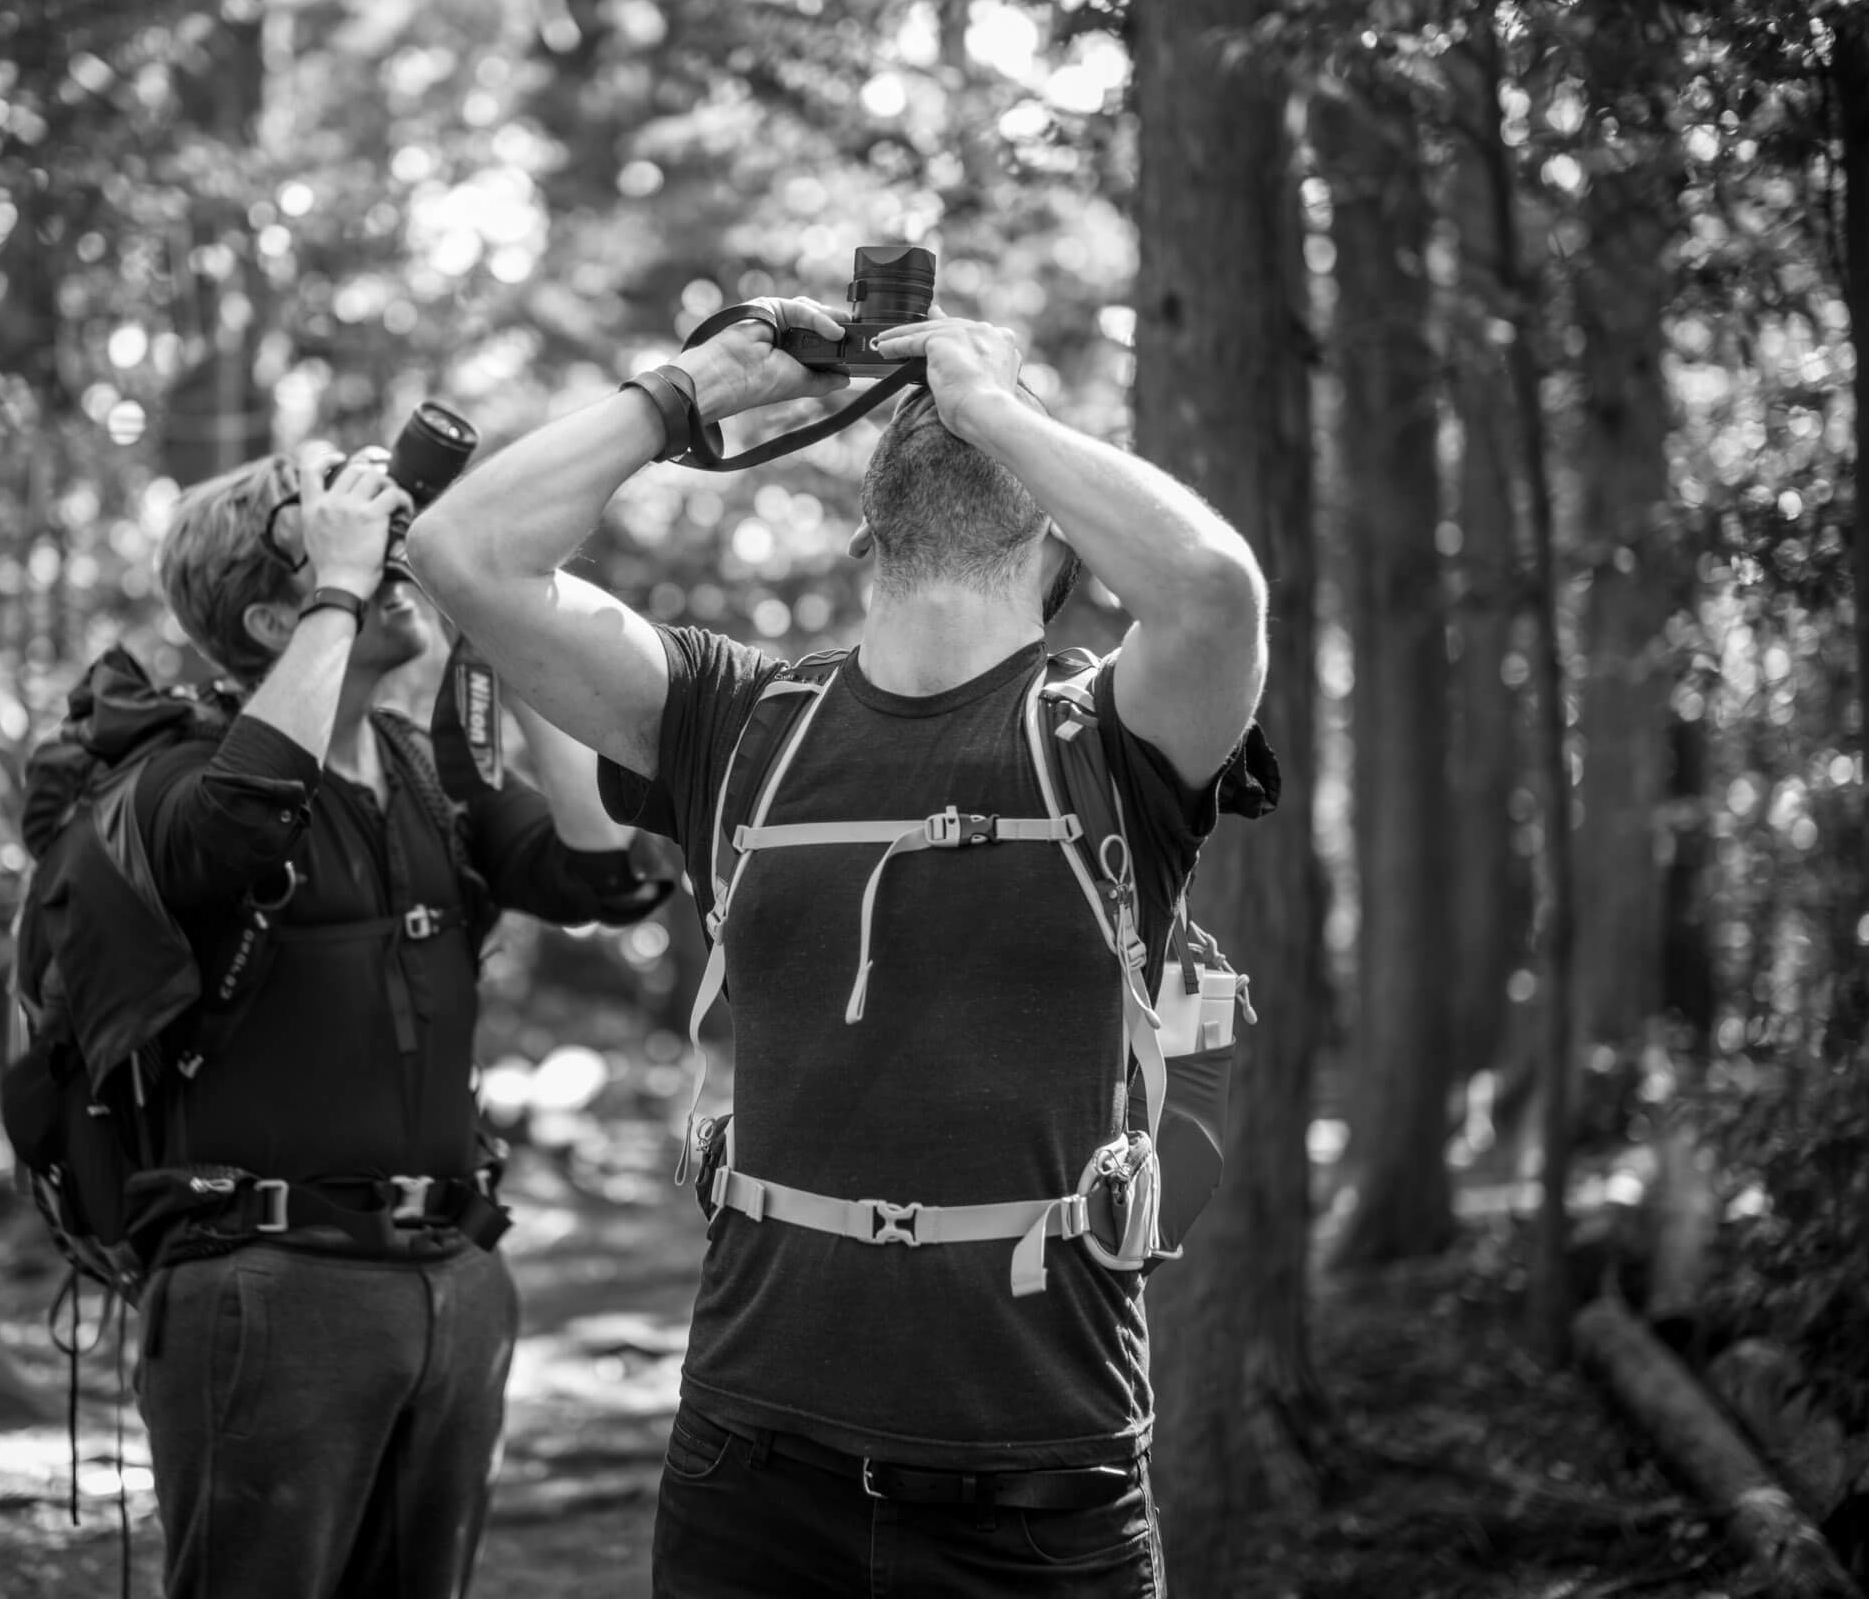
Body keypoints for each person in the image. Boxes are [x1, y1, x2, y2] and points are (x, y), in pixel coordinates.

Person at [406, 302, 1268, 1596]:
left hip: (1038, 1494)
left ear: (1056, 546)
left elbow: (1208, 587)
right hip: (748, 1475)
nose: (955, 414)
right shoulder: (736, 724)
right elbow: (460, 550)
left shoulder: (1115, 743)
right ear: (867, 526)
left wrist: (989, 408)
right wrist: (697, 384)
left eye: (999, 433)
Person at [123, 441, 666, 1598]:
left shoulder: (426, 773)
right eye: (322, 523)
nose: (368, 529)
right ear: (279, 621)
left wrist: (505, 616)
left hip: (451, 1280)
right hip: (269, 1293)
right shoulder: (170, 778)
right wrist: (341, 581)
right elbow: (240, 817)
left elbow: (601, 869)